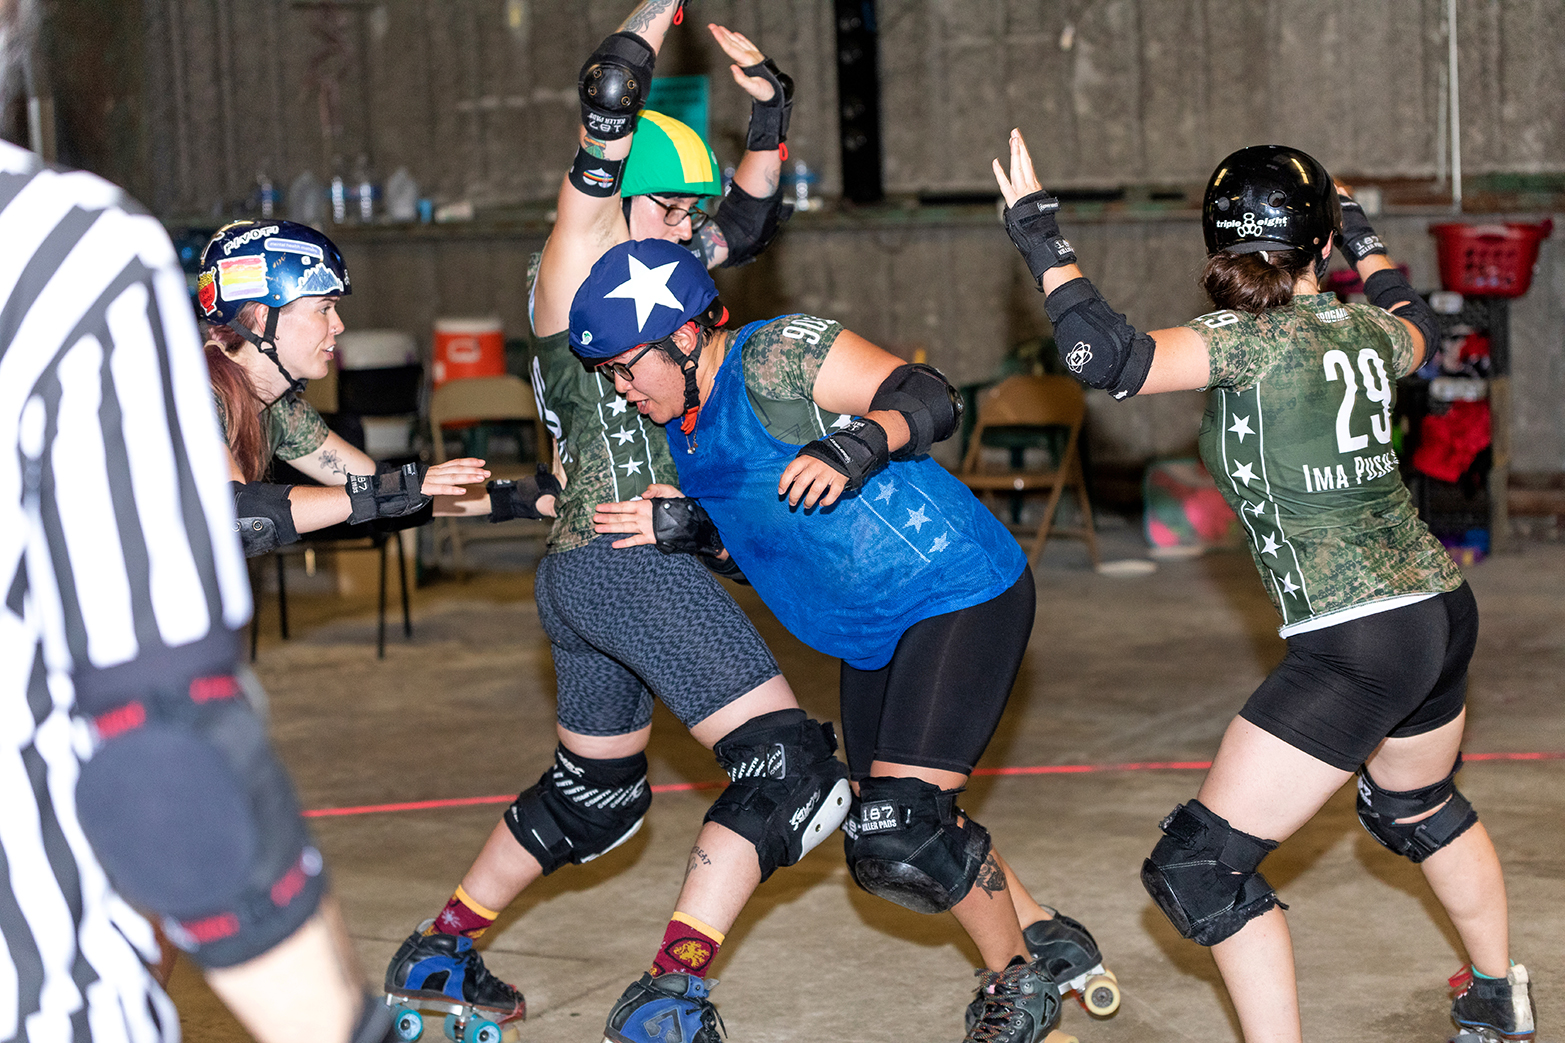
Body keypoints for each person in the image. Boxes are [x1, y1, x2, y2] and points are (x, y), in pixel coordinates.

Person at [993, 129, 1535, 1043]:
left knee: (1200, 869)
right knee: (1417, 804)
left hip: (1358, 641)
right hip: (1438, 614)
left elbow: (1102, 358)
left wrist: (1040, 234)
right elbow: (1427, 325)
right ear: (1318, 244)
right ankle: (1495, 994)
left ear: (1218, 245)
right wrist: (1363, 236)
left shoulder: (1244, 341)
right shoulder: (1369, 328)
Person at [382, 4, 848, 1041]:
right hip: (631, 561)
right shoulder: (569, 272)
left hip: (583, 573)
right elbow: (601, 137)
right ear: (626, 203)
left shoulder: (643, 280)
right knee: (793, 771)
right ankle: (671, 993)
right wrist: (636, 42)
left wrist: (770, 109)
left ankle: (440, 948)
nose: (694, 226)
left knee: (593, 797)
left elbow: (753, 220)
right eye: (674, 208)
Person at [573, 237, 1120, 1043]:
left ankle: (1016, 987)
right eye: (608, 376)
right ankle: (1040, 925)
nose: (621, 390)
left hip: (955, 589)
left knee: (903, 825)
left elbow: (929, 395)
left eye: (626, 368)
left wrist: (855, 443)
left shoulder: (772, 358)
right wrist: (696, 535)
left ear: (683, 336)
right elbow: (772, 554)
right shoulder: (684, 432)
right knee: (883, 843)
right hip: (870, 631)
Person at [0, 1, 401, 1039]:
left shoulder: (276, 397)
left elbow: (354, 472)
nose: (342, 324)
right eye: (324, 304)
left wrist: (452, 491)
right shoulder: (70, 259)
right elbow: (162, 731)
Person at [196, 219, 509, 557]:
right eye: (324, 308)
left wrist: (516, 499)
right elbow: (238, 517)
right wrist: (384, 492)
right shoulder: (190, 395)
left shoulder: (275, 409)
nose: (338, 325)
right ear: (263, 318)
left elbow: (381, 487)